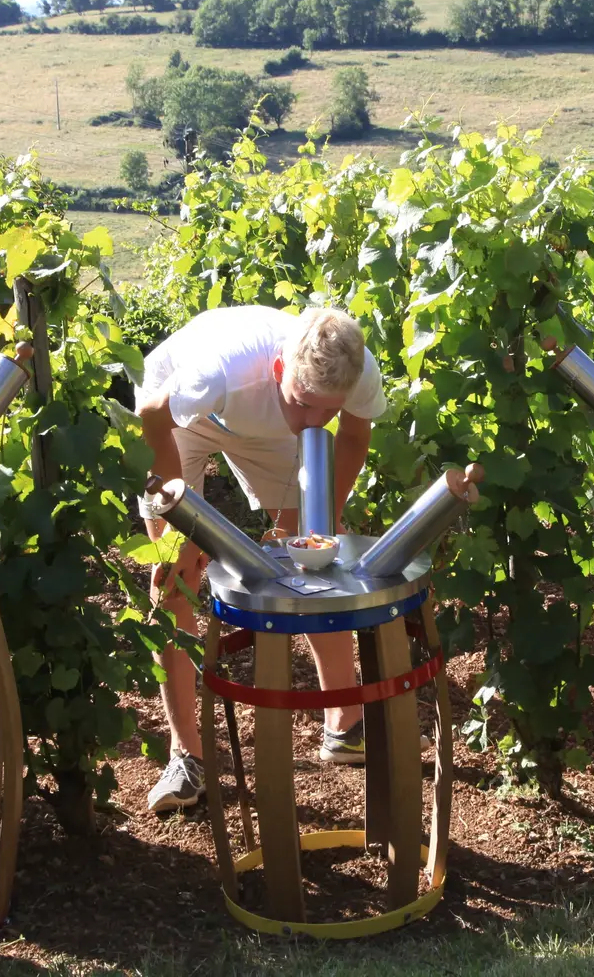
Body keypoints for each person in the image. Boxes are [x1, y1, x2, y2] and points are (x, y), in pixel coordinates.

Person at [136, 305, 391, 812]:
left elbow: (355, 439)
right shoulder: (216, 373)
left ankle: (344, 724)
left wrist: (318, 524)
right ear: (281, 372)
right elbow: (152, 421)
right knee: (173, 580)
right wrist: (182, 532)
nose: (315, 423)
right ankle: (186, 754)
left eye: (328, 411)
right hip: (178, 423)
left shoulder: (352, 373)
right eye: (305, 404)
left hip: (266, 429)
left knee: (318, 557)